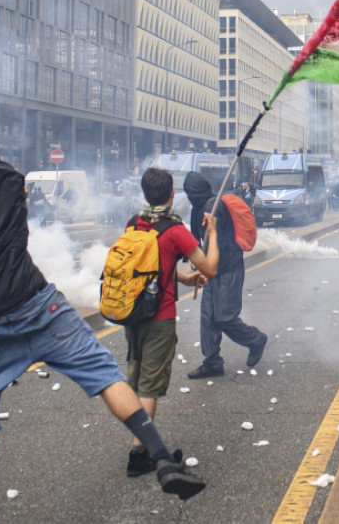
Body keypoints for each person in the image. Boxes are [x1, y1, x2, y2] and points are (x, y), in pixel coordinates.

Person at [0, 109, 207, 524]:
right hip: (36, 303)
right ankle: (161, 459)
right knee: (104, 373)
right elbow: (19, 193)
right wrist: (8, 246)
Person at [122, 167, 218, 477]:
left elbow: (147, 267)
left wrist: (184, 278)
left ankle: (141, 440)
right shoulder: (176, 231)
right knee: (150, 386)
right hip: (159, 318)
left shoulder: (133, 224)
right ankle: (140, 452)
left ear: (144, 193)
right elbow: (211, 267)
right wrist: (212, 233)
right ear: (172, 194)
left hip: (131, 314)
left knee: (137, 381)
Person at [184, 172, 268, 379]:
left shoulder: (215, 207)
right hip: (211, 269)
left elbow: (216, 240)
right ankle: (212, 362)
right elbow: (198, 239)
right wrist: (197, 262)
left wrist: (203, 258)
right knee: (208, 317)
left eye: (190, 193)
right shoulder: (198, 208)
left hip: (228, 268)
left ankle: (255, 339)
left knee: (223, 317)